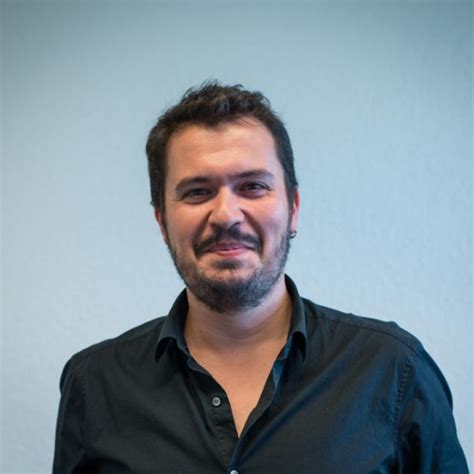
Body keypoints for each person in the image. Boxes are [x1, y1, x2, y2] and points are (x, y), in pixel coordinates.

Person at [53, 82, 468, 473]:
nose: (226, 215)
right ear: (162, 221)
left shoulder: (394, 370)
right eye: (197, 192)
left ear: (293, 208)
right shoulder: (94, 384)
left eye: (252, 186)